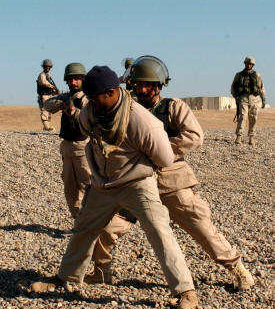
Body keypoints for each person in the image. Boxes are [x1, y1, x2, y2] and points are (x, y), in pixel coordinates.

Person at [31, 65, 199, 309]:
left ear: (112, 92)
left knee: (159, 231)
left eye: (96, 98)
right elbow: (85, 130)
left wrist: (133, 164)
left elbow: (164, 158)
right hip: (103, 184)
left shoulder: (142, 120)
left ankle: (185, 291)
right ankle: (66, 278)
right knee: (84, 229)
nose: (92, 104)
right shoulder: (91, 110)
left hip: (137, 184)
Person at [88, 55, 255, 294]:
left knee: (201, 227)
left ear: (159, 85)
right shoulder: (124, 110)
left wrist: (159, 150)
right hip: (134, 183)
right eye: (138, 85)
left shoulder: (173, 107)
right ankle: (101, 272)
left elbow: (194, 136)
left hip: (171, 181)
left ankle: (237, 268)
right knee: (107, 228)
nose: (143, 89)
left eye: (148, 85)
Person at [44, 63, 90, 219]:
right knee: (70, 189)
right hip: (67, 147)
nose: (74, 82)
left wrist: (74, 111)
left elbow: (90, 118)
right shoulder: (66, 96)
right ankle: (79, 221)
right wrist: (62, 104)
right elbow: (48, 105)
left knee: (90, 187)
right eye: (71, 79)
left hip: (83, 147)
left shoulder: (87, 98)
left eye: (77, 79)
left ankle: (96, 223)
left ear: (83, 79)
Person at [231, 56, 266, 145]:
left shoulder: (257, 75)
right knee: (242, 117)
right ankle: (239, 136)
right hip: (243, 98)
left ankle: (251, 137)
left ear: (252, 65)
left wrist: (263, 99)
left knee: (253, 118)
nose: (249, 65)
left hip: (254, 99)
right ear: (245, 63)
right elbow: (233, 88)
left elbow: (261, 87)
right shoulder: (239, 75)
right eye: (247, 63)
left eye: (251, 64)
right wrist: (236, 97)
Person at [36, 59, 60, 131]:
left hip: (49, 95)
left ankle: (47, 127)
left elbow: (50, 86)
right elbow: (44, 82)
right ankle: (46, 127)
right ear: (43, 67)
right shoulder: (42, 75)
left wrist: (55, 91)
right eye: (46, 67)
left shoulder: (48, 76)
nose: (48, 68)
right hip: (44, 95)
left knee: (49, 110)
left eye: (49, 67)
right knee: (45, 110)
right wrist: (52, 87)